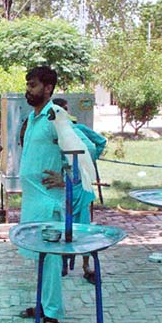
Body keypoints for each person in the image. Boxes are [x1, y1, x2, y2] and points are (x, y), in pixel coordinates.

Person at [17, 66, 70, 323]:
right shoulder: (33, 117)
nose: (29, 90)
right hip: (33, 201)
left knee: (50, 261)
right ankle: (42, 305)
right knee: (40, 258)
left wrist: (67, 178)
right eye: (27, 84)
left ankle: (53, 317)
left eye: (33, 85)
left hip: (50, 203)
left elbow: (85, 151)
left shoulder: (56, 116)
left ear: (48, 88)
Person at [52, 98, 105, 284]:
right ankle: (63, 262)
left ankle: (85, 265)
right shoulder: (55, 134)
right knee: (63, 225)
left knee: (83, 226)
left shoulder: (79, 130)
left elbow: (99, 143)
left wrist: (86, 164)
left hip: (80, 186)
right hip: (63, 186)